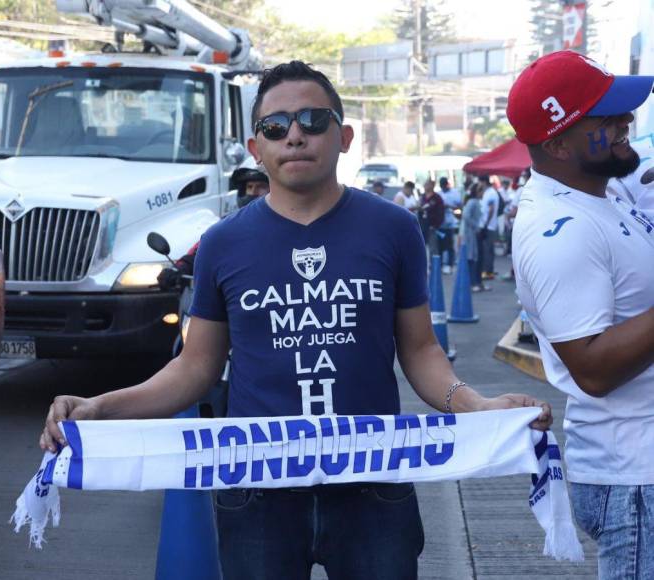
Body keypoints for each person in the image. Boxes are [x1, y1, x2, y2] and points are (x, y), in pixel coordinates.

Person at [40, 60, 552, 580]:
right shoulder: (223, 243)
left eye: (313, 120)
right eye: (276, 127)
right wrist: (102, 407)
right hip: (257, 491)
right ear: (255, 146)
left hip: (372, 485)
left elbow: (420, 352)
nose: (296, 136)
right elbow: (196, 370)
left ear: (345, 136)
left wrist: (479, 406)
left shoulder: (394, 229)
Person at [508, 50, 654, 580]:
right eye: (608, 116)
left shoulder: (603, 189)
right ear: (559, 143)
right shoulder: (561, 230)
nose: (627, 122)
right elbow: (592, 369)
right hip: (634, 478)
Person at [157, 161, 269, 289]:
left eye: (260, 187)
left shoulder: (285, 224)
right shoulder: (229, 226)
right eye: (249, 187)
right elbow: (203, 251)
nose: (253, 192)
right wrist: (179, 268)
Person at [460, 183, 487, 292]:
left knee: (477, 258)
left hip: (475, 234)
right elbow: (466, 215)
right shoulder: (472, 202)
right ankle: (473, 283)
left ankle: (477, 282)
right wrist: (476, 227)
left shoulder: (476, 202)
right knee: (472, 259)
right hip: (471, 235)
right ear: (477, 191)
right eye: (481, 190)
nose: (483, 193)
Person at [437, 176, 462, 274]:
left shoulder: (454, 193)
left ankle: (450, 264)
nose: (443, 187)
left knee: (450, 245)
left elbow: (460, 205)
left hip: (451, 223)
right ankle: (440, 265)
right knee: (440, 246)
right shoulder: (438, 194)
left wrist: (450, 207)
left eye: (444, 185)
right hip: (440, 224)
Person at [476, 175, 499, 280]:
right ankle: (487, 270)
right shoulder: (488, 192)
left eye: (479, 182)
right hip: (488, 225)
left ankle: (488, 271)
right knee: (487, 249)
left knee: (488, 249)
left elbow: (491, 209)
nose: (479, 185)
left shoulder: (491, 193)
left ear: (484, 182)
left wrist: (485, 224)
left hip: (489, 226)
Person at [419, 178, 444, 257]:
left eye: (427, 184)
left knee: (433, 247)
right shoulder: (422, 197)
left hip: (432, 226)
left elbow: (441, 212)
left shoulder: (437, 198)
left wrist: (436, 225)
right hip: (422, 226)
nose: (425, 186)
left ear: (432, 186)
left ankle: (434, 266)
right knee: (421, 247)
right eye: (425, 184)